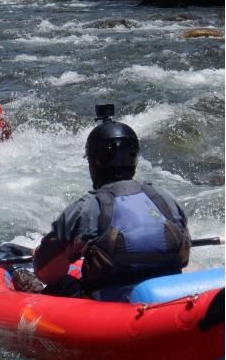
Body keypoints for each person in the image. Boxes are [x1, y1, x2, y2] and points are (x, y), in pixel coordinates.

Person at [31, 105, 191, 301]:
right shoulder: (164, 198)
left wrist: (67, 254)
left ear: (94, 163)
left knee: (61, 285)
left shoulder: (87, 207)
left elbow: (46, 272)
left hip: (114, 307)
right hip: (171, 297)